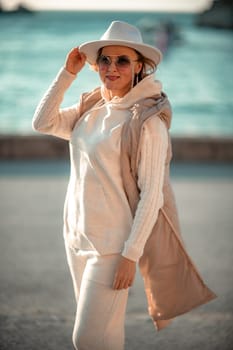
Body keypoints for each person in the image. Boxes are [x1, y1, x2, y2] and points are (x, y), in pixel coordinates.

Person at [32, 21, 216, 350]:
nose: (112, 68)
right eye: (105, 60)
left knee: (86, 339)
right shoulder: (92, 107)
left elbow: (152, 196)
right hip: (76, 239)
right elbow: (43, 122)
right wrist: (67, 74)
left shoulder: (147, 122)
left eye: (122, 61)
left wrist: (130, 256)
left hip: (111, 248)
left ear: (139, 67)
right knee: (105, 337)